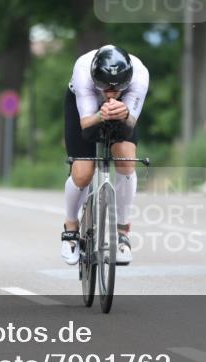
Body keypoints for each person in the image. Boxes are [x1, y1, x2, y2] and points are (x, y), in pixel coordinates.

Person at [61, 45, 149, 266]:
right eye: (104, 88)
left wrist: (125, 113)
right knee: (82, 172)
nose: (110, 94)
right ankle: (71, 227)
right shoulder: (83, 70)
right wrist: (101, 114)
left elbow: (130, 124)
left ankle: (122, 231)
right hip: (84, 110)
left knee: (127, 161)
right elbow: (85, 126)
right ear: (94, 79)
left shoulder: (139, 75)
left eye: (116, 89)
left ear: (127, 82)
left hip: (123, 110)